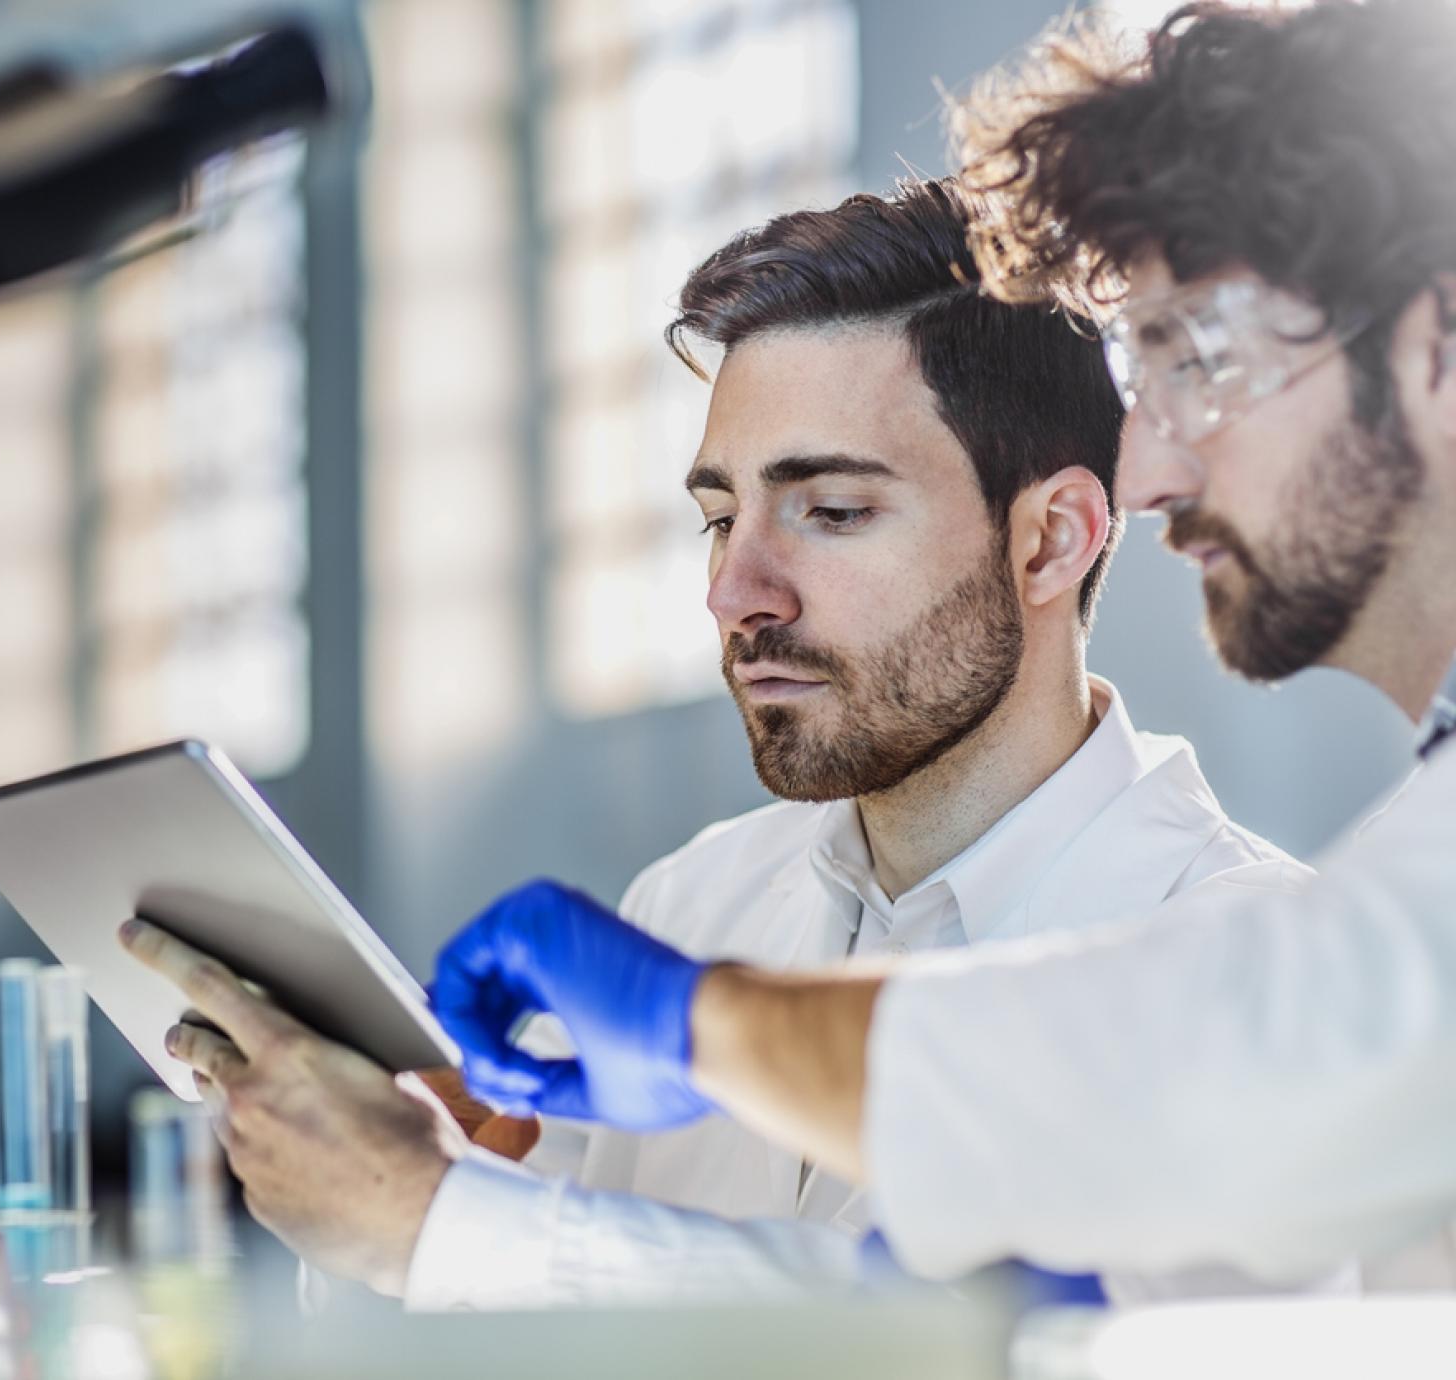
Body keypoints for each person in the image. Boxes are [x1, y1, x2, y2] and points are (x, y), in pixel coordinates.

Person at [120, 178, 1316, 1305]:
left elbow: (1058, 1350)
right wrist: (415, 1187)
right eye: (717, 517)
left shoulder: (1259, 973)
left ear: (1051, 541)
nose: (735, 593)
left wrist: (442, 1226)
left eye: (831, 512)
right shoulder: (688, 905)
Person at [434, 0, 1456, 1289]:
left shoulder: (1262, 934)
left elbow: (1234, 1059)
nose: (1144, 465)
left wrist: (690, 1036)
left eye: (1201, 360)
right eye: (717, 516)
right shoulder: (692, 904)